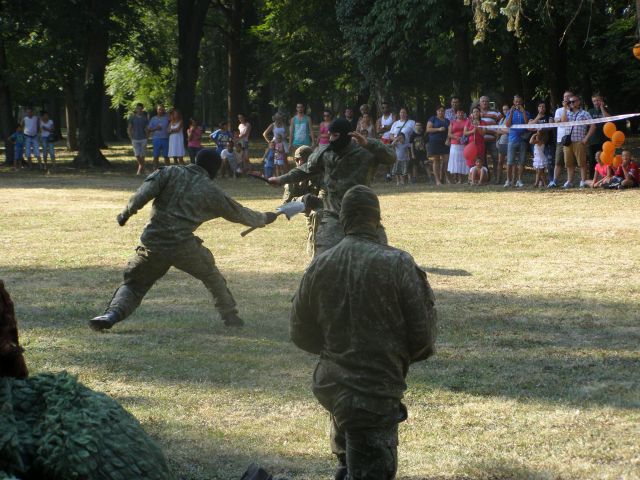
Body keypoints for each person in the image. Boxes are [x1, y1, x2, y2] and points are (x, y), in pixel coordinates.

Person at [290, 185, 437, 480]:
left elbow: (300, 331)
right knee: (370, 469)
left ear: (343, 220)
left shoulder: (320, 264)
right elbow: (423, 337)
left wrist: (337, 352)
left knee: (349, 460)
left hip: (333, 385)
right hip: (375, 391)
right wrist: (388, 359)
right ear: (377, 220)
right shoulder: (398, 263)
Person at [89, 149, 278, 332]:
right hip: (183, 247)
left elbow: (143, 192)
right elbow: (239, 212)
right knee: (212, 277)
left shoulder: (170, 172)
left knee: (134, 285)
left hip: (152, 244)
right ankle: (230, 316)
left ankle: (111, 315)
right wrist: (264, 218)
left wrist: (126, 213)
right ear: (214, 169)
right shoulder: (211, 190)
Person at [268, 118, 395, 256]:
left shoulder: (366, 150)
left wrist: (368, 144)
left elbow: (391, 157)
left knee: (380, 257)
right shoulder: (326, 153)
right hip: (334, 214)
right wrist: (280, 179)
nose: (331, 139)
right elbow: (305, 170)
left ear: (347, 135)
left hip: (363, 214)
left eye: (335, 135)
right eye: (330, 135)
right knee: (324, 257)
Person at [282, 145, 323, 255]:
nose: (300, 163)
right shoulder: (292, 178)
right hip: (311, 213)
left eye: (303, 160)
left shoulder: (321, 175)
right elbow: (286, 207)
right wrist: (303, 200)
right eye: (297, 160)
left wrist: (312, 201)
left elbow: (326, 199)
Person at [560, 95, 594, 188]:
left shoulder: (585, 113)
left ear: (578, 102)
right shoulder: (567, 112)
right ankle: (569, 181)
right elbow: (563, 121)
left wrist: (586, 138)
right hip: (568, 142)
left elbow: (593, 125)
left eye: (573, 101)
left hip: (579, 141)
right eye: (569, 102)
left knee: (582, 163)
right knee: (568, 163)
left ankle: (583, 181)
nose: (571, 103)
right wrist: (565, 108)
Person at [548, 90, 573, 188]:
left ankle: (569, 181)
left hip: (572, 138)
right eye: (565, 96)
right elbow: (560, 120)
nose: (566, 98)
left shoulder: (575, 110)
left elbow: (563, 120)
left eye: (568, 96)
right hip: (560, 139)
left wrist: (567, 110)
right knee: (558, 161)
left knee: (570, 162)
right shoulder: (559, 110)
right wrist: (565, 109)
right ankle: (554, 181)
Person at [504, 94, 530, 188]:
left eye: (519, 102)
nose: (517, 103)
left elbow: (527, 124)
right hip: (512, 139)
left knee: (522, 161)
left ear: (522, 102)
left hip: (523, 139)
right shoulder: (510, 112)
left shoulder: (526, 112)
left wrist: (523, 112)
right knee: (510, 161)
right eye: (516, 102)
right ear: (513, 102)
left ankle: (519, 180)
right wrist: (511, 112)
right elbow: (507, 124)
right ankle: (508, 180)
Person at [528, 101, 554, 185]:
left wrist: (539, 129)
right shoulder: (533, 116)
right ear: (537, 108)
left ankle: (550, 180)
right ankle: (540, 181)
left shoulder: (549, 116)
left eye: (543, 106)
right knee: (538, 164)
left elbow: (550, 126)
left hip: (547, 141)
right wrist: (537, 118)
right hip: (536, 142)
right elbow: (529, 127)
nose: (542, 108)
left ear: (546, 108)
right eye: (540, 106)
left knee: (549, 162)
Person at [587, 93, 611, 178]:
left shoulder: (607, 109)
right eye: (594, 101)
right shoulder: (590, 111)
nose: (596, 102)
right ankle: (592, 178)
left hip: (605, 139)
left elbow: (609, 120)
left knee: (606, 159)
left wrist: (602, 108)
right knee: (592, 160)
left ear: (601, 100)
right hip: (593, 140)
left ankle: (608, 177)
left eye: (598, 100)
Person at [426, 105, 450, 186]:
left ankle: (443, 177)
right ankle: (437, 180)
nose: (440, 112)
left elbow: (450, 131)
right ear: (436, 112)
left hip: (445, 142)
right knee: (436, 160)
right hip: (434, 141)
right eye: (439, 111)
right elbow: (428, 129)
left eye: (442, 111)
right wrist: (438, 129)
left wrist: (448, 139)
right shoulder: (433, 118)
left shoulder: (447, 121)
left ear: (444, 112)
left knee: (446, 160)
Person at [478, 96, 502, 176]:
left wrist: (498, 133)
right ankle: (485, 176)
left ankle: (497, 177)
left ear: (489, 103)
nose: (485, 103)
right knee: (482, 160)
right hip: (480, 141)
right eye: (483, 101)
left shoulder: (495, 113)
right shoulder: (475, 113)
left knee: (496, 158)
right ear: (479, 103)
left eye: (486, 101)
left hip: (493, 140)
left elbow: (503, 123)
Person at [447, 109, 468, 183]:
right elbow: (449, 134)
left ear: (464, 114)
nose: (460, 114)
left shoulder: (467, 121)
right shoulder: (452, 122)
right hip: (454, 144)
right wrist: (456, 137)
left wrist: (463, 138)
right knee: (455, 161)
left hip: (464, 144)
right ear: (456, 114)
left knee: (462, 161)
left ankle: (461, 178)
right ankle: (455, 178)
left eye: (462, 113)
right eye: (458, 113)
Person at [128, 103, 149, 175]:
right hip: (135, 139)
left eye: (140, 108)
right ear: (136, 109)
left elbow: (147, 129)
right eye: (138, 108)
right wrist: (131, 137)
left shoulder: (145, 118)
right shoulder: (132, 118)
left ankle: (139, 171)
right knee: (137, 155)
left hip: (143, 138)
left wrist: (147, 137)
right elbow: (129, 128)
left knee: (142, 155)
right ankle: (144, 168)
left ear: (142, 109)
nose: (139, 110)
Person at [147, 104, 170, 168]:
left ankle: (168, 170)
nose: (161, 111)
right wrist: (155, 128)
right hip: (156, 139)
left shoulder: (167, 118)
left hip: (166, 139)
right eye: (159, 109)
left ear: (164, 110)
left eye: (162, 109)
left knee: (166, 156)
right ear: (157, 110)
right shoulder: (153, 119)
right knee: (156, 156)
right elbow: (149, 129)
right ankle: (155, 170)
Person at [495, 104, 510, 184]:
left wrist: (502, 130)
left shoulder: (512, 118)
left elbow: (511, 131)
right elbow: (497, 131)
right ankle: (498, 179)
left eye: (507, 109)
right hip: (501, 143)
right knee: (500, 162)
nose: (505, 111)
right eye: (504, 109)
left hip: (510, 143)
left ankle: (509, 179)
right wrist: (504, 131)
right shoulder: (501, 119)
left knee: (509, 162)